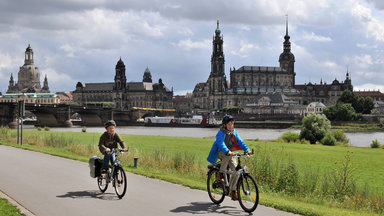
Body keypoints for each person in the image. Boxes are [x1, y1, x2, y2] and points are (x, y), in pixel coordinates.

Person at [207, 115, 252, 200]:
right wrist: (227, 151)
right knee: (226, 156)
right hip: (220, 152)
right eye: (229, 124)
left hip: (230, 153)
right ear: (224, 125)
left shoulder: (234, 132)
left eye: (232, 124)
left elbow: (240, 142)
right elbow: (221, 144)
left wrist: (247, 150)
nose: (231, 126)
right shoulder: (220, 133)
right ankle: (220, 174)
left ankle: (233, 191)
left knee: (237, 171)